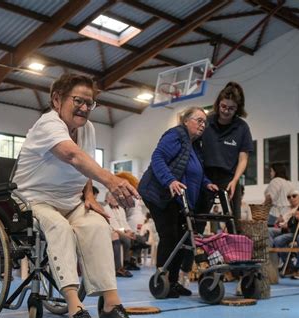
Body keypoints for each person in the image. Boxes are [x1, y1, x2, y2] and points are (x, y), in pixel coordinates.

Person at [12, 73, 139, 318]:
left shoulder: (88, 129)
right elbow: (72, 155)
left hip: (71, 200)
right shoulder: (47, 124)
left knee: (97, 225)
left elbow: (84, 163)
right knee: (59, 227)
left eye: (89, 103)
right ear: (57, 100)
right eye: (78, 101)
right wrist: (111, 180)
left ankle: (110, 306)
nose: (84, 108)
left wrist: (90, 195)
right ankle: (75, 308)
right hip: (34, 200)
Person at [138, 107, 218, 298]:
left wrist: (207, 184)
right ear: (186, 121)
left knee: (183, 238)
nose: (202, 125)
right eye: (198, 120)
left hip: (178, 198)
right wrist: (170, 180)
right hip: (159, 194)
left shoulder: (194, 145)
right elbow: (157, 158)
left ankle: (173, 282)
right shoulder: (176, 135)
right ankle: (162, 279)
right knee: (170, 236)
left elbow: (196, 172)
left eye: (204, 122)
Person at [198, 82, 253, 227]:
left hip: (229, 177)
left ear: (238, 109)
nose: (226, 111)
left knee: (233, 221)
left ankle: (234, 247)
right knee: (198, 217)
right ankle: (194, 246)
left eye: (231, 108)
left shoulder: (242, 127)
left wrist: (235, 180)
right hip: (206, 176)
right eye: (223, 106)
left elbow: (243, 158)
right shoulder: (207, 122)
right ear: (218, 104)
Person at [104, 192, 134, 277]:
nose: (115, 199)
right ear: (108, 199)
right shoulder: (105, 209)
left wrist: (129, 231)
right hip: (113, 232)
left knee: (138, 238)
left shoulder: (121, 209)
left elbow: (125, 223)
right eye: (113, 197)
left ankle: (129, 262)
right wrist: (126, 234)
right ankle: (121, 266)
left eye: (116, 197)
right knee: (126, 239)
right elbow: (113, 226)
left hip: (122, 231)